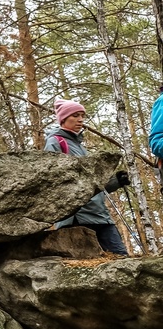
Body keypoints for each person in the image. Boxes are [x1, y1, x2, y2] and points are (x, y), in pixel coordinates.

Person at [45, 98, 131, 256]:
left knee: (121, 257)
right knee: (81, 267)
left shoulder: (80, 147)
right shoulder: (56, 142)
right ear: (63, 119)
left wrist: (116, 181)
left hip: (99, 214)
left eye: (82, 115)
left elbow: (93, 185)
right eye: (75, 115)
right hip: (75, 218)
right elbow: (54, 181)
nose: (81, 120)